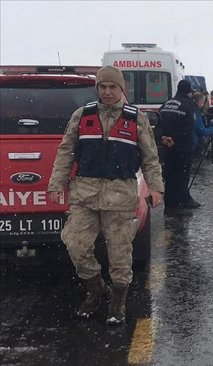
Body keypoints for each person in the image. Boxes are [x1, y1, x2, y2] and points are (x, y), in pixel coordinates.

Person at [47, 66, 164, 324]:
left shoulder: (136, 119)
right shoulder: (82, 115)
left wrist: (156, 188)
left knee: (120, 255)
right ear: (97, 88)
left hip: (120, 196)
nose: (108, 92)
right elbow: (65, 152)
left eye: (113, 87)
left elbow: (150, 158)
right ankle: (97, 288)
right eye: (103, 87)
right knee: (75, 245)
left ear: (122, 89)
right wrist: (56, 184)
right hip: (85, 195)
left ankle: (118, 301)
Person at [159, 79, 201, 213]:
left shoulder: (165, 104)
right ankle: (179, 204)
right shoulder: (188, 105)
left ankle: (171, 202)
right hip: (182, 147)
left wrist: (164, 137)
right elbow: (189, 129)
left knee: (169, 174)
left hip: (167, 146)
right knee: (182, 175)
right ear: (189, 91)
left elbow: (158, 123)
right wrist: (176, 139)